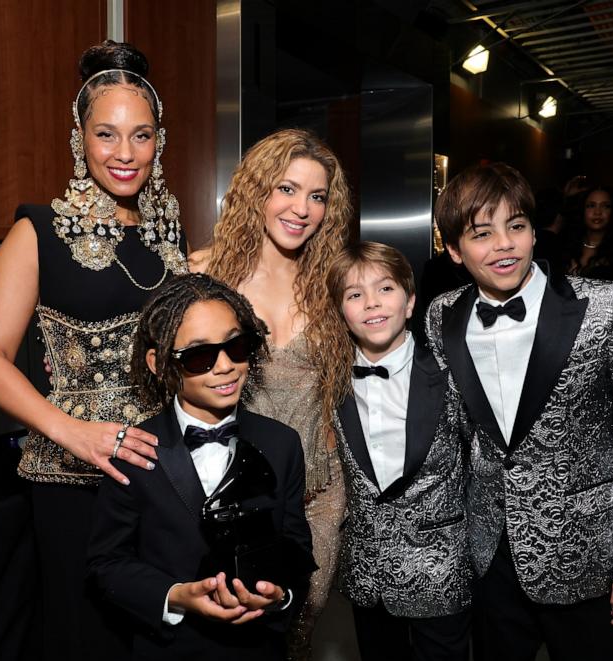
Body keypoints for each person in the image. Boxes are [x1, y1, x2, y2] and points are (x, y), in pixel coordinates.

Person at [0, 40, 186, 659]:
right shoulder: (35, 230)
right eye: (106, 134)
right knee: (85, 634)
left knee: (160, 628)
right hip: (72, 479)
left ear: (158, 143)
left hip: (162, 468)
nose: (124, 154)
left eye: (141, 136)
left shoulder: (170, 232)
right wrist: (76, 432)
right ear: (79, 138)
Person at [425, 163, 613, 661]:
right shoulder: (441, 315)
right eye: (481, 233)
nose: (504, 245)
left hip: (589, 554)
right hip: (489, 553)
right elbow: (446, 438)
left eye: (516, 226)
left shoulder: (607, 307)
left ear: (535, 231)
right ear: (453, 250)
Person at [87, 273, 315, 660]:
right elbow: (107, 564)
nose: (225, 366)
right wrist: (177, 596)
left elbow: (295, 547)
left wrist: (280, 597)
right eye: (199, 355)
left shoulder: (282, 443)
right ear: (160, 364)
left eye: (236, 346)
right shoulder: (135, 451)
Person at [189, 128, 353, 660]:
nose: (301, 208)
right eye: (286, 188)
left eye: (317, 196)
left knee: (294, 637)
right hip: (236, 499)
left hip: (319, 498)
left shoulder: (334, 283)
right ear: (258, 190)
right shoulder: (206, 276)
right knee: (235, 639)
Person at [326, 242, 472, 661]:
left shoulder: (451, 372)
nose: (371, 303)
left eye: (385, 289)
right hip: (368, 576)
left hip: (441, 571)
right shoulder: (331, 383)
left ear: (410, 302)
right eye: (354, 295)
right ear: (341, 312)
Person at [564, 185, 613, 281]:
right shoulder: (567, 245)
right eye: (591, 205)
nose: (597, 212)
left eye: (605, 206)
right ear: (582, 210)